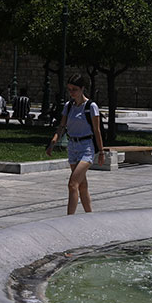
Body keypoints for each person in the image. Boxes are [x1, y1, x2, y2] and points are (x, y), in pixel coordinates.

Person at [46, 74, 105, 215]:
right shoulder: (69, 106)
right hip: (72, 146)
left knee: (73, 184)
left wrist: (101, 151)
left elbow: (97, 130)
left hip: (86, 147)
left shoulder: (91, 106)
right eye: (69, 89)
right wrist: (53, 141)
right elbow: (62, 126)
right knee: (82, 185)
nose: (72, 93)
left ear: (82, 89)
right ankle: (90, 215)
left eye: (75, 89)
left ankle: (69, 219)